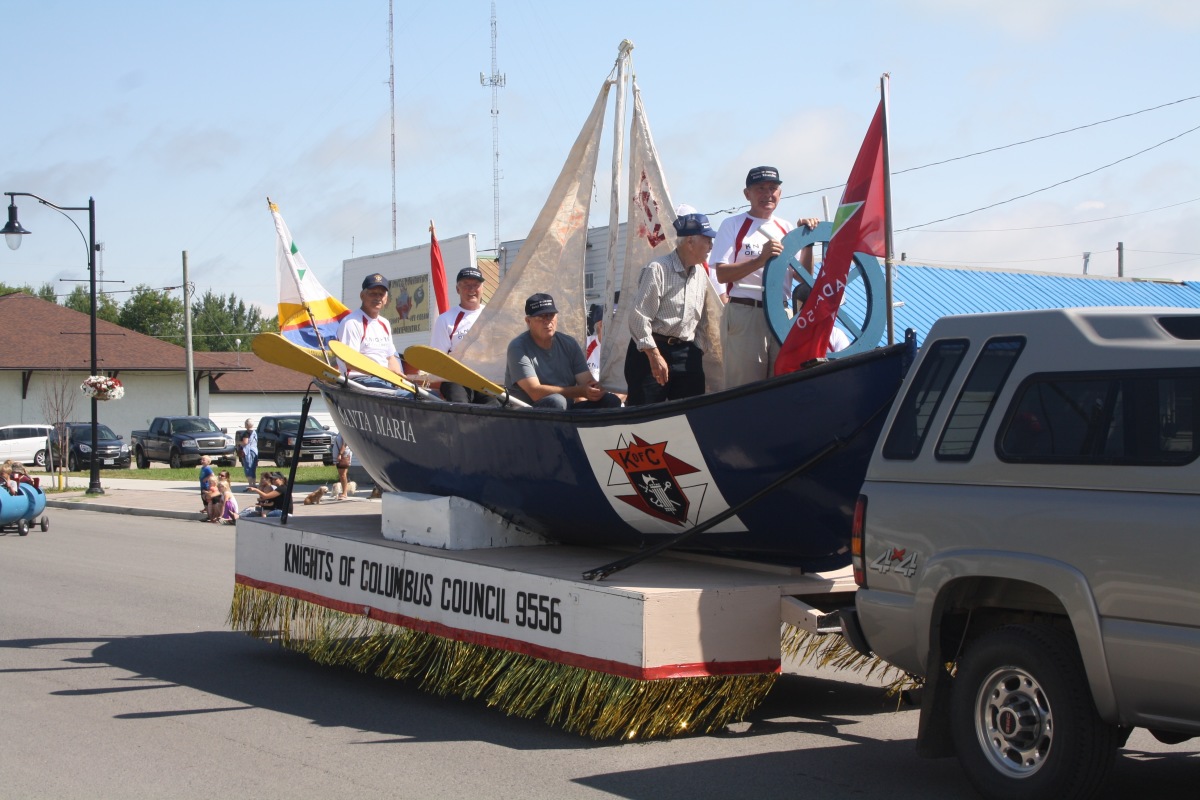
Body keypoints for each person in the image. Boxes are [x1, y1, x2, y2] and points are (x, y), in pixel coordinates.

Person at [711, 166, 820, 387]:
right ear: (747, 194)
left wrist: (807, 241)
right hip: (745, 313)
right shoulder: (732, 225)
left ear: (780, 193)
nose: (767, 194)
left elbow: (803, 278)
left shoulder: (786, 227)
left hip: (781, 312)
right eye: (760, 188)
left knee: (783, 382)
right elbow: (722, 274)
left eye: (772, 188)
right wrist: (760, 260)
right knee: (744, 387)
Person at [625, 213, 717, 406]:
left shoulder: (701, 273)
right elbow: (639, 317)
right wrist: (654, 356)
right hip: (651, 351)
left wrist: (697, 350)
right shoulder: (657, 269)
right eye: (707, 240)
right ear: (690, 242)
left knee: (692, 413)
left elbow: (702, 320)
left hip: (687, 353)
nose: (711, 246)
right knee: (646, 415)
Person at [505, 293, 622, 410]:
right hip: (529, 413)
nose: (547, 321)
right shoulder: (518, 347)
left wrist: (595, 389)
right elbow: (535, 392)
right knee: (556, 401)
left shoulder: (569, 343)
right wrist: (581, 391)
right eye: (540, 317)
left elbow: (586, 381)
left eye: (550, 315)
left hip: (566, 411)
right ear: (528, 321)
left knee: (611, 400)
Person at [430, 266, 499, 406]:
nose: (471, 289)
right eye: (466, 285)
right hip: (456, 378)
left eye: (476, 285)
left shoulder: (494, 316)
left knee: (495, 408)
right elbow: (438, 358)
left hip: (486, 378)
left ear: (482, 288)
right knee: (460, 406)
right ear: (458, 289)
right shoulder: (445, 319)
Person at [335, 273, 410, 391]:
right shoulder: (351, 322)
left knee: (422, 396)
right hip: (359, 381)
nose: (378, 298)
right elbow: (349, 361)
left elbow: (390, 358)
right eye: (373, 293)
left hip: (384, 380)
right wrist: (383, 372)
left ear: (386, 298)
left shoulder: (384, 323)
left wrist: (400, 381)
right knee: (403, 396)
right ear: (362, 296)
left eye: (381, 294)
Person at [332, 431, 352, 500]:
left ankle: (344, 493)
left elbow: (344, 444)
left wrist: (340, 454)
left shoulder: (344, 432)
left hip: (343, 455)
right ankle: (343, 492)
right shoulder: (340, 432)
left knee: (343, 475)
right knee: (341, 475)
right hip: (339, 455)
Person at [239, 418, 258, 490]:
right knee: (253, 468)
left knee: (248, 468)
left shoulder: (246, 433)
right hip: (255, 451)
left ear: (246, 424)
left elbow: (245, 442)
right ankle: (254, 484)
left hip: (248, 452)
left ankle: (250, 484)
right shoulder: (255, 432)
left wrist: (239, 443)